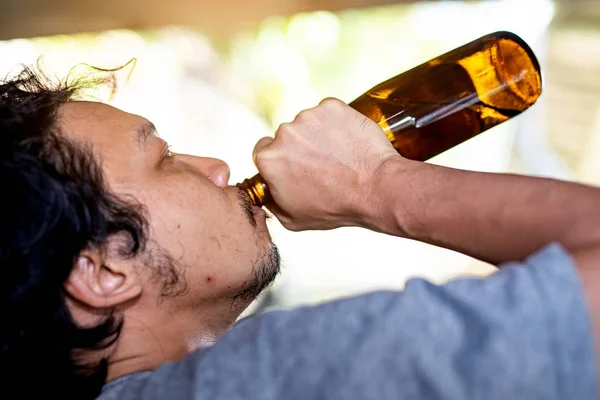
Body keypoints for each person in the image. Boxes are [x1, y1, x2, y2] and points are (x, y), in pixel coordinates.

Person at [0, 65, 598, 400]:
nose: (215, 168)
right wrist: (376, 186)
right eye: (165, 159)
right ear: (100, 272)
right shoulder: (264, 380)